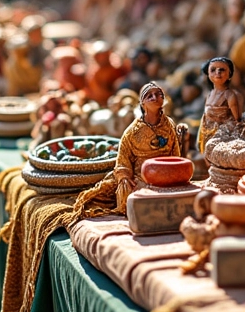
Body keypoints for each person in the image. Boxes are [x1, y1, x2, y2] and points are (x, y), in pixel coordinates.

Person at [71, 82, 182, 217]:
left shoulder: (169, 125)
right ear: (142, 103)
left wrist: (176, 170)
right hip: (141, 177)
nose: (155, 98)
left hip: (165, 173)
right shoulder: (132, 131)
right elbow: (123, 157)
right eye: (149, 96)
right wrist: (124, 176)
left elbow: (176, 152)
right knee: (134, 193)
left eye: (158, 94)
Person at [197, 57, 245, 154]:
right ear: (208, 74)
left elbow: (237, 120)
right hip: (207, 133)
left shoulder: (229, 95)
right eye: (213, 70)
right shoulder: (210, 94)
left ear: (230, 74)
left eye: (222, 70)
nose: (217, 73)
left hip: (223, 135)